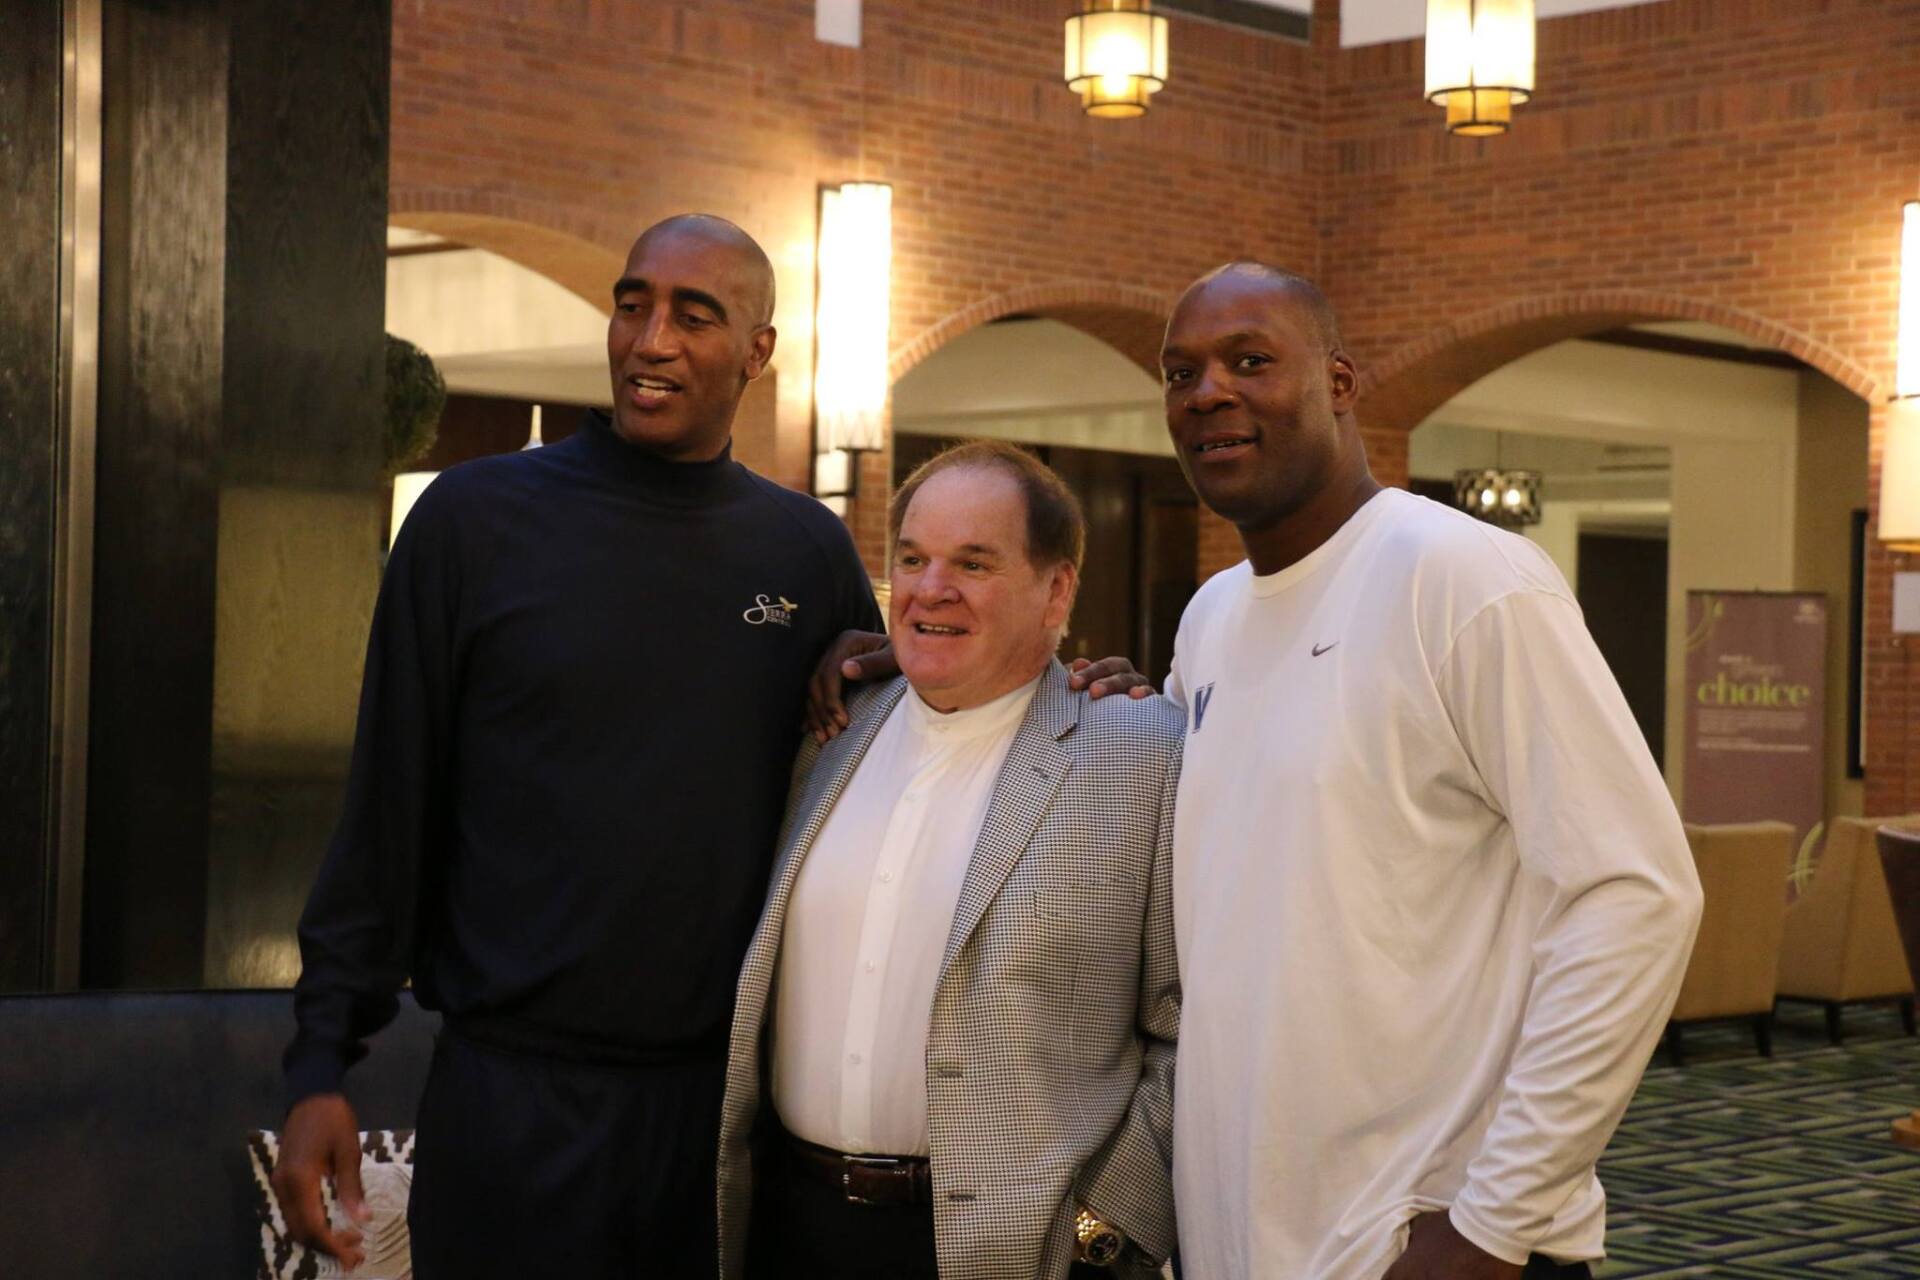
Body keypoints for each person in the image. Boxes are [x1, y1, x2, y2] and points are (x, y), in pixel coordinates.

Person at [271, 214, 891, 1277]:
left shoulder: (805, 548)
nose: (650, 339)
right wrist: (321, 1061)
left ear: (758, 351)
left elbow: (895, 765)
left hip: (719, 1122)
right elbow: (388, 802)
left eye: (695, 316)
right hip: (508, 1105)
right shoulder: (475, 520)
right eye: (632, 302)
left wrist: (1067, 687)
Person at [1155, 263, 1704, 1280]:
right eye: (1180, 372)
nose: (1209, 393)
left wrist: (1495, 1220)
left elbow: (1635, 895)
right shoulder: (1213, 616)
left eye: (1251, 360)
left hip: (1430, 1240)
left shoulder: (1465, 578)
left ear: (1341, 382)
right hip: (1248, 1231)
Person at [716, 441, 1181, 1280]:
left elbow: (1190, 1024)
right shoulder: (830, 729)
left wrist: (1104, 1228)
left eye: (974, 562)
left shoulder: (1144, 754)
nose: (933, 588)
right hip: (794, 1225)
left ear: (1057, 589)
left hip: (1018, 1252)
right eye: (914, 559)